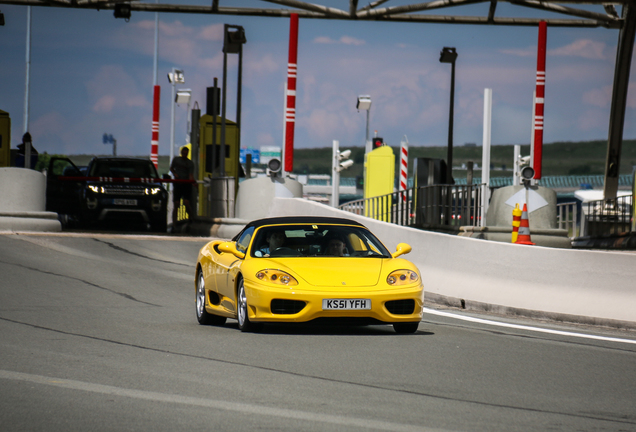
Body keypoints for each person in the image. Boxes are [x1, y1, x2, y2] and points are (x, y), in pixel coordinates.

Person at [170, 146, 195, 225]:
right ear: (181, 153)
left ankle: (191, 218)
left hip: (186, 185)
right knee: (176, 204)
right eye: (183, 153)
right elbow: (171, 168)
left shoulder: (190, 163)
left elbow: (191, 174)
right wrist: (175, 174)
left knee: (186, 203)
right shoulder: (176, 160)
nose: (184, 155)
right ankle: (174, 223)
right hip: (177, 184)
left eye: (186, 154)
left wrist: (193, 182)